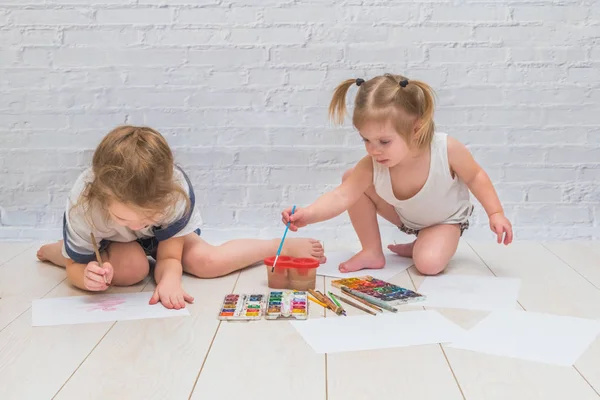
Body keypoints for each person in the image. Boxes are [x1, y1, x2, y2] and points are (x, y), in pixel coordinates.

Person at [37, 125, 325, 309]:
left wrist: (170, 280)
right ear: (102, 198)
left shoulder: (174, 192)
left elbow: (169, 258)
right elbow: (78, 269)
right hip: (112, 242)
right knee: (130, 272)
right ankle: (58, 252)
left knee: (207, 262)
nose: (139, 226)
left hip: (163, 237)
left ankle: (277, 246)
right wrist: (84, 277)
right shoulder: (84, 205)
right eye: (126, 218)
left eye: (147, 216)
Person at [281, 74, 512, 276]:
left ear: (416, 128)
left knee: (429, 264)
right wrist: (309, 214)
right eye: (366, 140)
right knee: (352, 178)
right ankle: (372, 251)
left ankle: (424, 243)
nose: (374, 150)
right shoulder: (373, 163)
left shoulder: (445, 149)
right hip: (406, 218)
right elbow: (342, 196)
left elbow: (475, 177)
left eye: (384, 141)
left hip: (444, 220)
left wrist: (496, 213)